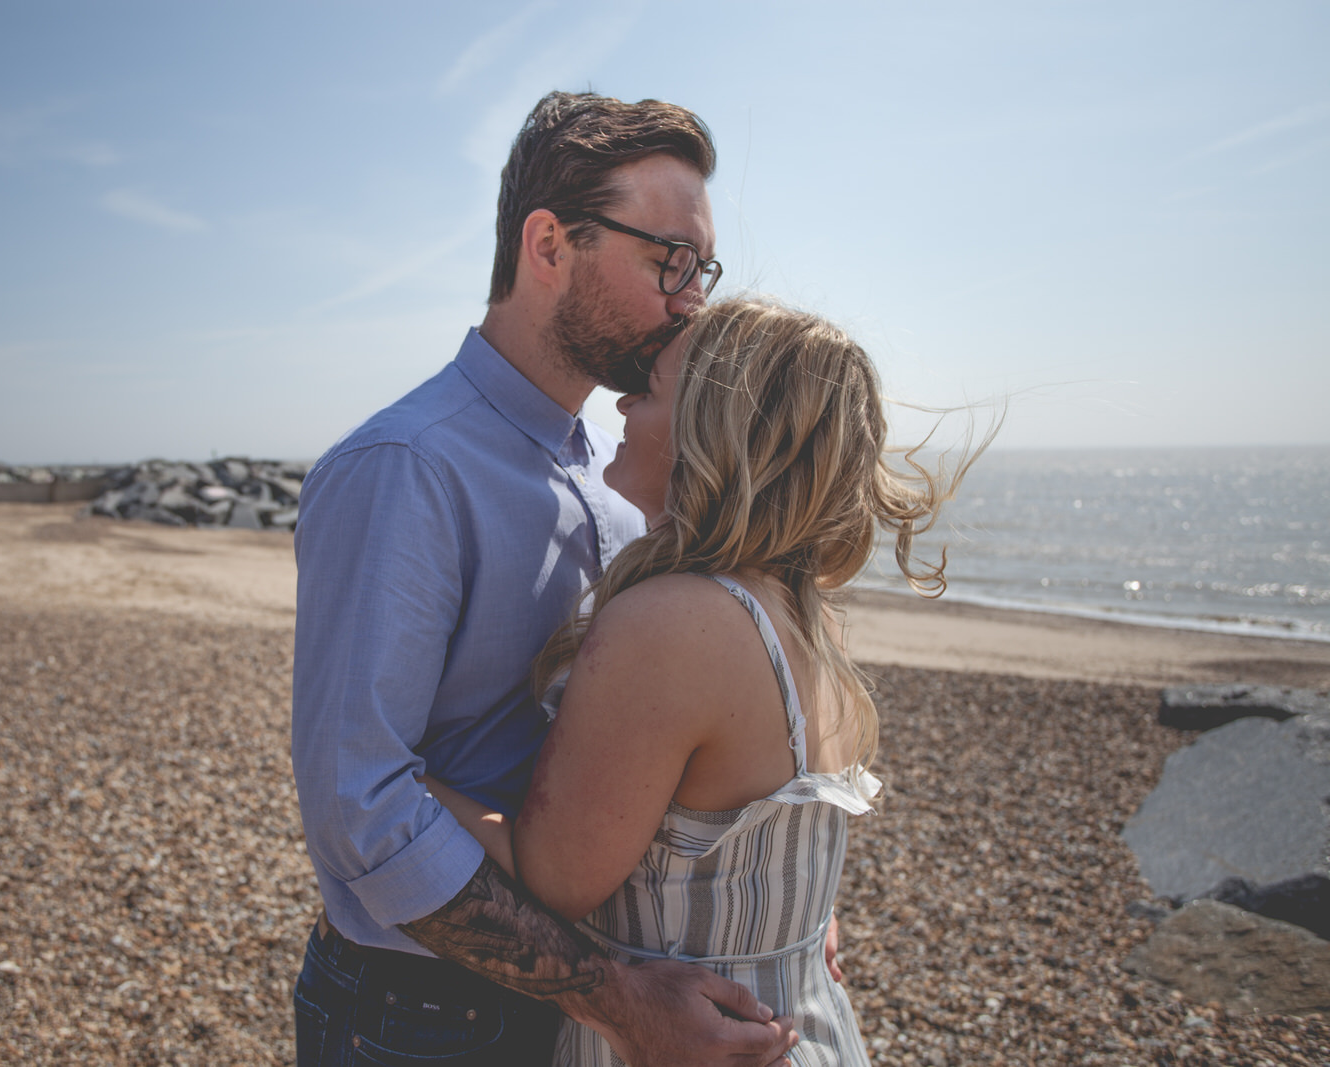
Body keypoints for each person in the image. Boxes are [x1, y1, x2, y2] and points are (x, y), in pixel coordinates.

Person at [291, 92, 802, 1066]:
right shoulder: (407, 466)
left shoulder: (617, 472)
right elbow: (360, 808)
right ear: (549, 244)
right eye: (669, 260)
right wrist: (615, 996)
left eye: (704, 269)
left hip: (577, 1008)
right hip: (421, 1017)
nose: (691, 298)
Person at [424, 296, 980, 1065]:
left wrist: (406, 784)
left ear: (714, 427)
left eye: (649, 387)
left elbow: (551, 879)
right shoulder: (801, 616)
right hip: (809, 1028)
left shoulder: (673, 623)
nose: (621, 400)